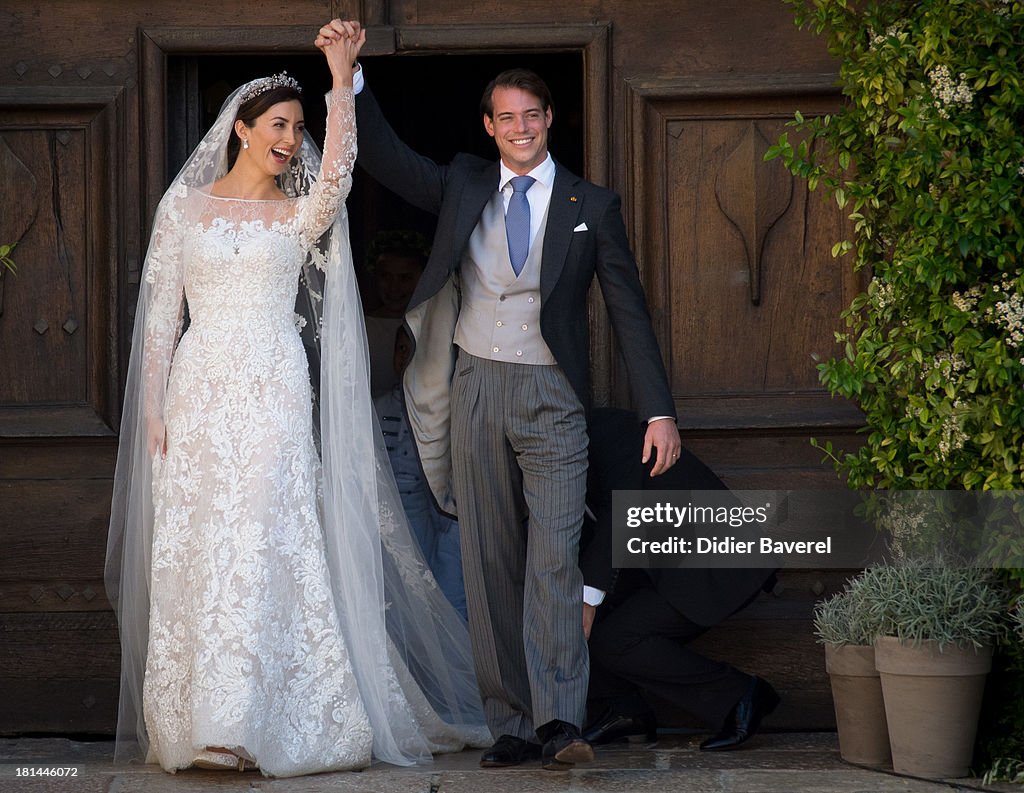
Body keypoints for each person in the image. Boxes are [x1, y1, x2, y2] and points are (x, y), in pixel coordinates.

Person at [104, 20, 489, 778]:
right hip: (198, 389)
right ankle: (202, 722)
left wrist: (339, 82)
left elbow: (339, 172)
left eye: (298, 127)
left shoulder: (298, 212)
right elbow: (158, 319)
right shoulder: (183, 210)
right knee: (202, 546)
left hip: (274, 389)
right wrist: (152, 408)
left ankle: (256, 718)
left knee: (264, 540)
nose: (290, 138)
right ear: (241, 130)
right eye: (278, 125)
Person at [318, 19, 682, 771]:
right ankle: (511, 721)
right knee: (488, 560)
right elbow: (384, 160)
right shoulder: (463, 182)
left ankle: (559, 721)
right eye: (506, 117)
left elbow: (628, 312)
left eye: (532, 115)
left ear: (550, 121)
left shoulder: (593, 205)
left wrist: (658, 409)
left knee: (553, 556)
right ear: (489, 126)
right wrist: (350, 78)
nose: (520, 127)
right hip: (476, 386)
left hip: (553, 395)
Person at [579, 408, 780, 751]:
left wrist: (587, 600)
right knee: (588, 619)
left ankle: (741, 695)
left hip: (716, 561)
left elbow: (622, 513)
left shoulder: (606, 431)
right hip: (660, 565)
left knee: (614, 638)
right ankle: (625, 712)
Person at [375, 325, 468, 620]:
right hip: (392, 514)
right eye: (400, 349)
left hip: (434, 519)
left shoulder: (451, 411)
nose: (405, 357)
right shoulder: (376, 407)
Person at [362, 230, 430, 397]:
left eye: (405, 278)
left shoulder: (431, 325)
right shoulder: (362, 327)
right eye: (386, 276)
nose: (394, 287)